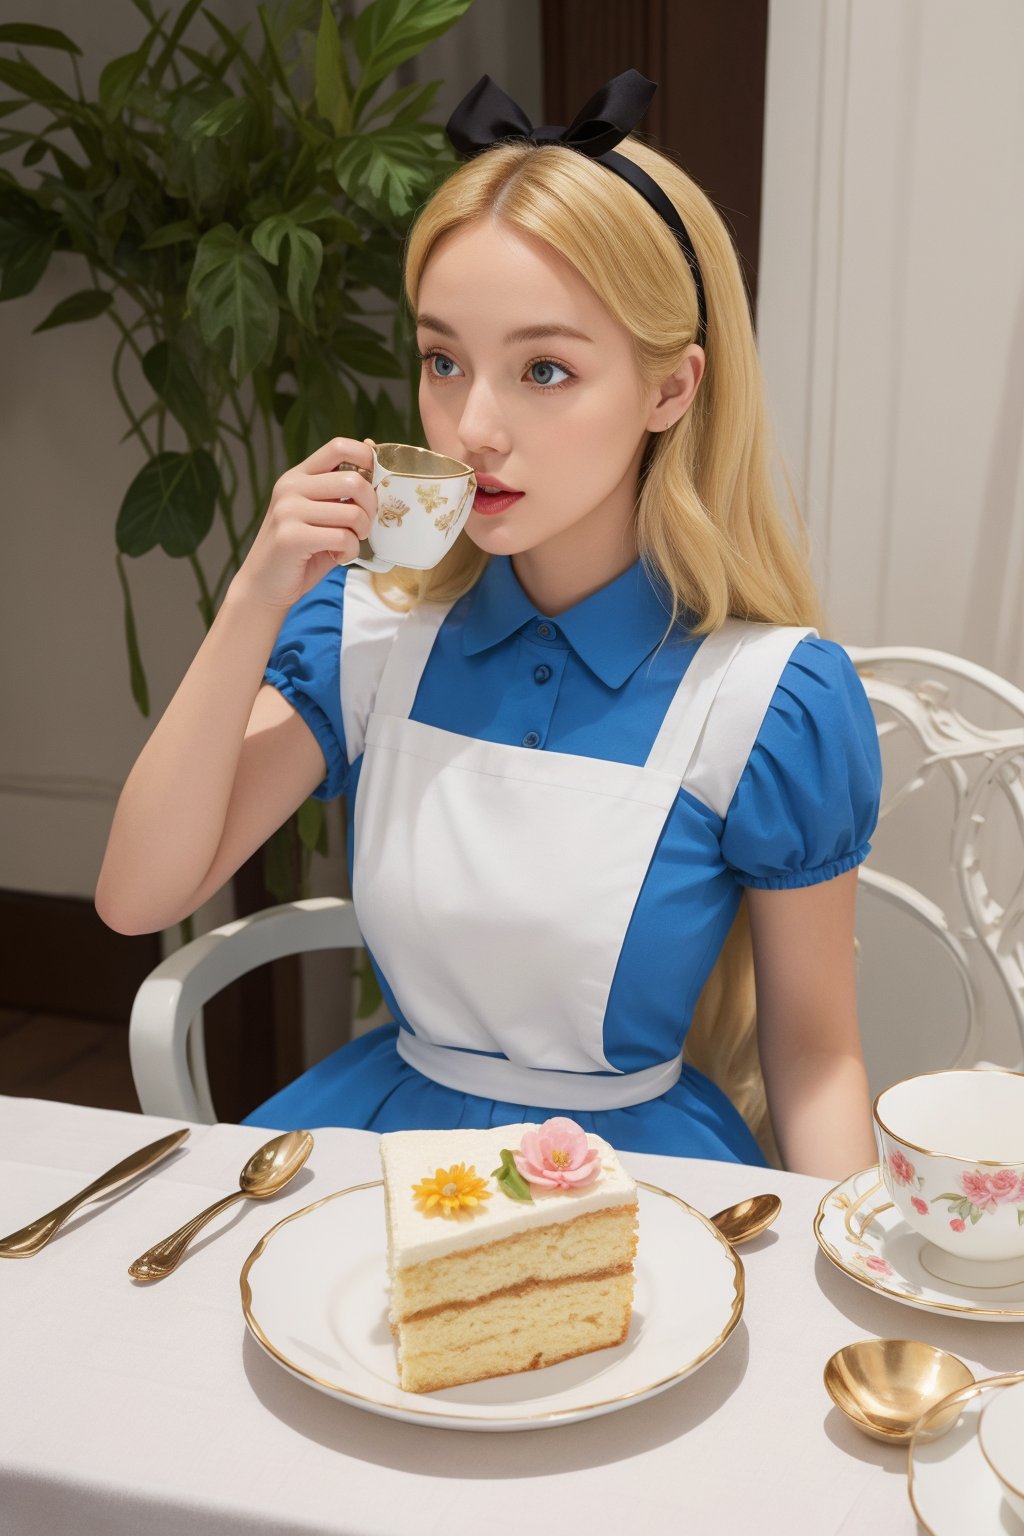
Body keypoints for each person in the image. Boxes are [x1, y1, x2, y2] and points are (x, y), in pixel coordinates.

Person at [96, 71, 882, 1178]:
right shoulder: (368, 634)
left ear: (670, 389)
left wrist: (837, 1303)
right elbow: (139, 897)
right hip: (376, 1155)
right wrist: (253, 600)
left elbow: (815, 1058)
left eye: (544, 370)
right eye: (441, 361)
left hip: (642, 1182)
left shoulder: (769, 702)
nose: (472, 427)